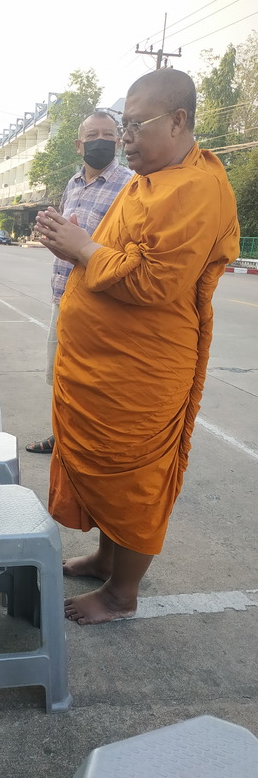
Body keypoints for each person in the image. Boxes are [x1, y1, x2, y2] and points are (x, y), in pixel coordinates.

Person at [35, 69, 239, 625]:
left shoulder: (195, 188)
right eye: (121, 126)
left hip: (142, 371)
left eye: (134, 126)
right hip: (99, 364)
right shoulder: (148, 180)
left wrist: (82, 249)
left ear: (178, 121)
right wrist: (75, 243)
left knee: (134, 481)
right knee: (107, 478)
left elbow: (153, 281)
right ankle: (107, 559)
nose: (124, 138)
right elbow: (118, 249)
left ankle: (121, 593)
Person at [26, 111, 132, 453]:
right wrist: (53, 235)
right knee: (60, 372)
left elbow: (126, 247)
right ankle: (62, 436)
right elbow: (68, 235)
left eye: (108, 135)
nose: (101, 141)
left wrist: (82, 246)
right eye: (92, 135)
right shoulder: (72, 184)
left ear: (118, 142)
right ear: (78, 145)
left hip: (100, 300)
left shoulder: (131, 186)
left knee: (93, 380)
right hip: (63, 295)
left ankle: (90, 444)